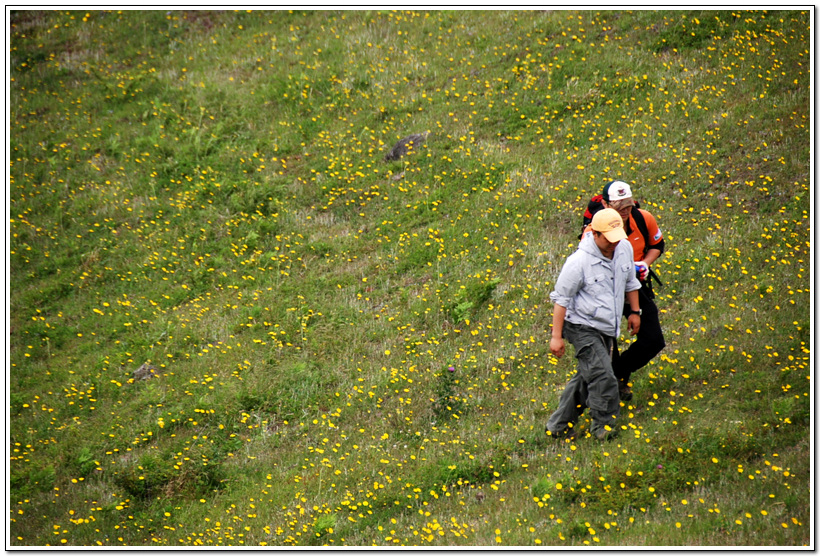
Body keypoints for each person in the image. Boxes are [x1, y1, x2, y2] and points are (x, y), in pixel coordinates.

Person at [545, 208, 642, 441]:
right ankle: (603, 428)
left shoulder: (624, 248)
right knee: (603, 376)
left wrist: (635, 311)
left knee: (585, 377)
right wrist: (556, 337)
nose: (613, 244)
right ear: (595, 234)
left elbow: (631, 281)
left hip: (606, 327)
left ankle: (558, 426)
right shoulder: (578, 262)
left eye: (616, 238)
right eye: (608, 239)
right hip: (581, 326)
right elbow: (561, 300)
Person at [597, 180, 666, 401]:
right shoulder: (596, 228)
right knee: (609, 343)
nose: (626, 211)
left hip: (635, 287)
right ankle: (613, 388)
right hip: (605, 290)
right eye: (620, 206)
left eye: (628, 205)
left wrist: (644, 264)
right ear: (607, 205)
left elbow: (657, 245)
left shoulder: (643, 218)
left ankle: (617, 374)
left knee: (653, 339)